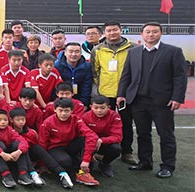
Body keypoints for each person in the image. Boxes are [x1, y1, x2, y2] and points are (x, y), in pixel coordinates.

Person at [117, 22, 187, 178]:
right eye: (147, 32)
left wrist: (177, 97)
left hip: (162, 102)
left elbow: (180, 77)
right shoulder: (133, 52)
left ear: (161, 33)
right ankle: (145, 162)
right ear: (142, 34)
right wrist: (121, 94)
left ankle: (168, 166)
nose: (151, 34)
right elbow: (126, 75)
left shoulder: (173, 51)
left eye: (155, 32)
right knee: (142, 133)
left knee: (166, 134)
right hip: (138, 101)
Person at [91, 20, 138, 165]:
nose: (112, 33)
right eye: (109, 30)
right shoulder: (97, 49)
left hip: (126, 93)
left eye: (115, 30)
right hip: (106, 93)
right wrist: (101, 88)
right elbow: (95, 71)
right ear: (104, 33)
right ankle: (102, 151)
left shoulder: (133, 48)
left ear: (120, 30)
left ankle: (127, 152)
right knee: (103, 124)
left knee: (126, 123)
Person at [38, 98, 100, 187]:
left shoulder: (76, 119)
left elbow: (91, 135)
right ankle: (76, 170)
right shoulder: (47, 123)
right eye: (60, 110)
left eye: (66, 111)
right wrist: (42, 164)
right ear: (55, 110)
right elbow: (42, 144)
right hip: (55, 148)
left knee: (88, 140)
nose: (63, 113)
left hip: (70, 145)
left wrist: (86, 159)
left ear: (72, 110)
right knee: (66, 162)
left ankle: (82, 173)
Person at [0, 109, 33, 188]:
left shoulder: (10, 130)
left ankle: (23, 174)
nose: (3, 122)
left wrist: (19, 151)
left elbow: (23, 141)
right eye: (0, 120)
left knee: (19, 145)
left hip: (10, 154)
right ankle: (6, 175)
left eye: (5, 120)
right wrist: (2, 154)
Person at [81, 95, 123, 178]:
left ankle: (104, 164)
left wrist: (101, 140)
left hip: (104, 143)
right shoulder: (85, 116)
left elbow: (118, 136)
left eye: (102, 108)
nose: (99, 110)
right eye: (96, 108)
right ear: (91, 107)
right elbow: (81, 136)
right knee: (86, 168)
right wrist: (90, 152)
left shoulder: (115, 116)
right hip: (89, 144)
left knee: (116, 149)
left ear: (108, 107)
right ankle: (88, 161)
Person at [55, 42, 93, 107]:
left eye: (77, 52)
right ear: (65, 53)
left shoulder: (87, 66)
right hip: (62, 98)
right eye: (71, 52)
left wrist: (83, 104)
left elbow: (86, 87)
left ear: (81, 53)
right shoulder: (57, 66)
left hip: (79, 97)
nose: (74, 54)